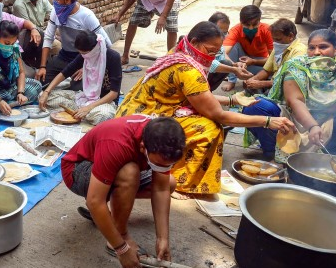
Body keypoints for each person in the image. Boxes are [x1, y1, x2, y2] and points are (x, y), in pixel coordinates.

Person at [116, 21, 294, 198]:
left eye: (215, 53)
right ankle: (176, 181)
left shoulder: (179, 51)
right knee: (209, 128)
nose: (211, 57)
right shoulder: (188, 70)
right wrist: (268, 121)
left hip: (135, 110)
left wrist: (233, 99)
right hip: (145, 119)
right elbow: (218, 114)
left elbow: (197, 96)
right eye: (209, 51)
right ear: (194, 42)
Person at [62, 116, 186, 268]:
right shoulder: (118, 143)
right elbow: (94, 201)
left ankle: (107, 218)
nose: (161, 168)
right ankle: (117, 234)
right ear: (143, 147)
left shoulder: (162, 139)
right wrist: (121, 248)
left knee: (169, 183)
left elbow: (161, 189)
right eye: (158, 165)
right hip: (77, 170)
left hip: (109, 169)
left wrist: (163, 239)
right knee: (129, 172)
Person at [242, 29, 336, 160]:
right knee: (253, 106)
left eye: (323, 47)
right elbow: (295, 100)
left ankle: (328, 156)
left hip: (328, 124)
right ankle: (272, 151)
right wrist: (312, 126)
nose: (317, 52)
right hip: (292, 121)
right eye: (312, 48)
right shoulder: (297, 65)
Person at [35, 0, 111, 89]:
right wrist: (42, 66)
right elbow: (48, 38)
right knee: (41, 82)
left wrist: (88, 67)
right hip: (64, 56)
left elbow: (106, 43)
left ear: (67, 0)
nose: (54, 2)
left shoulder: (87, 16)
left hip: (84, 58)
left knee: (79, 89)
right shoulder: (56, 13)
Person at [39, 30, 122, 125]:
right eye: (81, 53)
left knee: (104, 115)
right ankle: (80, 112)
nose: (83, 56)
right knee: (46, 97)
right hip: (84, 98)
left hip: (103, 103)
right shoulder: (85, 55)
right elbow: (65, 73)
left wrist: (88, 108)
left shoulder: (113, 57)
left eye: (85, 53)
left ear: (94, 48)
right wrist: (46, 92)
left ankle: (81, 112)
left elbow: (114, 94)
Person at [12, 0, 60, 75]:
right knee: (45, 41)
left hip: (40, 33)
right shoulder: (19, 4)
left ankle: (48, 69)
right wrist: (48, 35)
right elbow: (26, 26)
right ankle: (40, 69)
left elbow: (54, 14)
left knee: (57, 45)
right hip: (25, 38)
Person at [243, 18, 307, 92]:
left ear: (290, 36)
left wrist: (262, 84)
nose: (275, 42)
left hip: (288, 88)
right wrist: (252, 80)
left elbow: (291, 81)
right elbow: (266, 70)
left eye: (278, 39)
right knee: (250, 89)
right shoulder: (279, 47)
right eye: (273, 39)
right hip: (274, 83)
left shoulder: (299, 52)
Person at [220, 5, 274, 92]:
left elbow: (274, 59)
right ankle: (232, 80)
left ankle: (256, 78)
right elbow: (222, 52)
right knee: (233, 46)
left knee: (275, 70)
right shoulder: (235, 30)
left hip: (261, 63)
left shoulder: (267, 30)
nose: (251, 28)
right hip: (242, 62)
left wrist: (253, 61)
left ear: (259, 21)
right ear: (241, 22)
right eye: (247, 24)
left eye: (254, 24)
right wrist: (235, 66)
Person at [203, 11, 253, 91]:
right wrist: (234, 70)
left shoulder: (217, 40)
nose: (222, 35)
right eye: (219, 31)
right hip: (193, 74)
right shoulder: (202, 40)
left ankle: (208, 91)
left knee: (227, 63)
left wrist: (235, 64)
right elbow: (209, 64)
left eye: (225, 32)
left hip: (205, 73)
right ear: (210, 27)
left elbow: (222, 54)